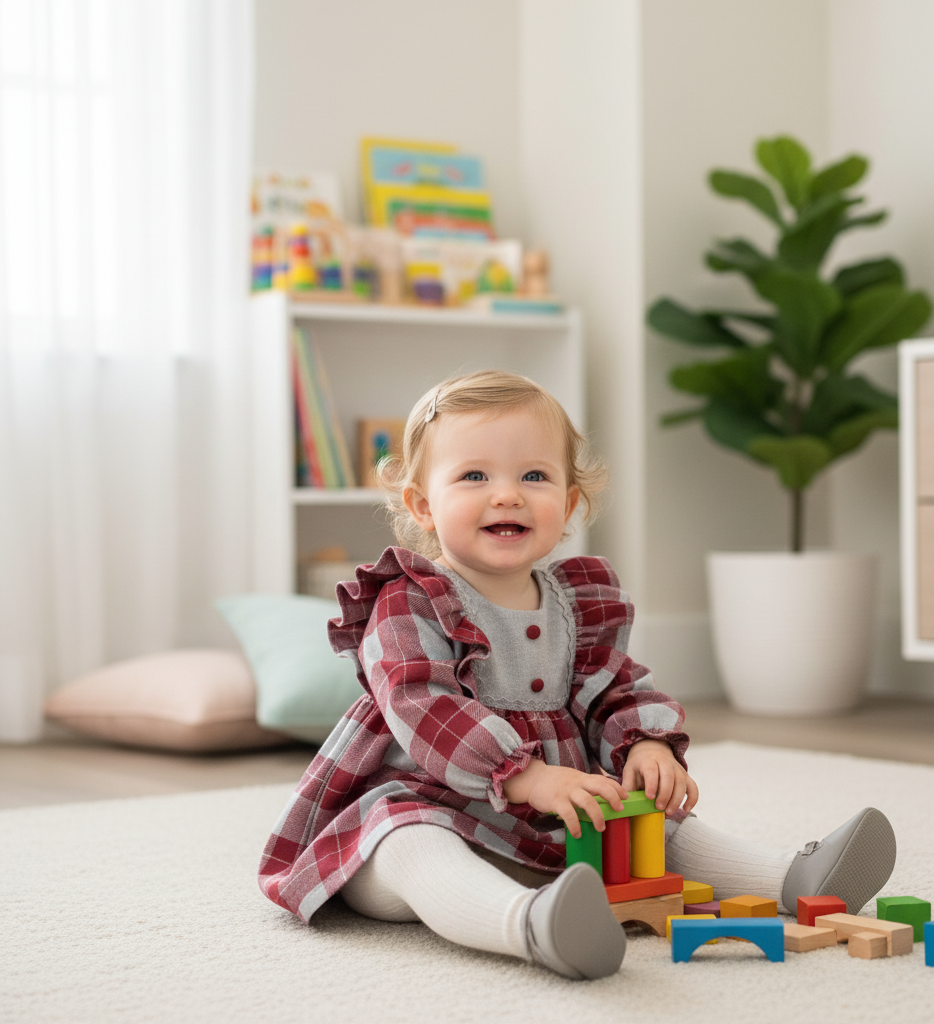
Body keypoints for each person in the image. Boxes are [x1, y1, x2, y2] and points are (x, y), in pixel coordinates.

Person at [258, 370, 896, 980]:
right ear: (423, 505)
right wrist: (523, 774)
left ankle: (791, 877)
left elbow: (616, 686)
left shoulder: (577, 599)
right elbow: (421, 705)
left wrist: (644, 742)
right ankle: (530, 925)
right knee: (409, 842)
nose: (506, 493)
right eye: (474, 474)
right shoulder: (408, 598)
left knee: (648, 819)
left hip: (554, 821)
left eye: (533, 475)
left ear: (566, 505)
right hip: (425, 807)